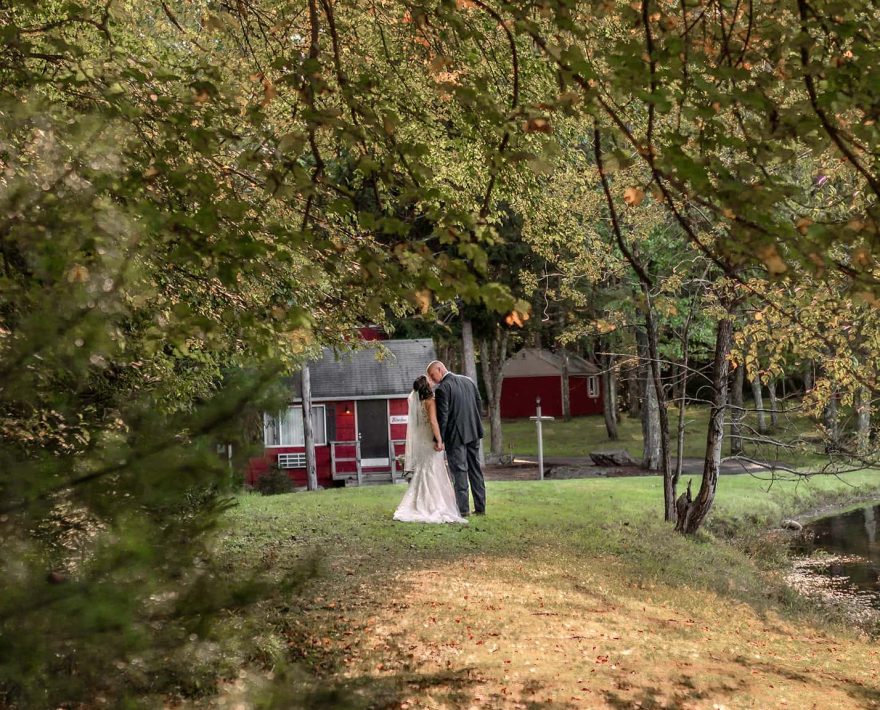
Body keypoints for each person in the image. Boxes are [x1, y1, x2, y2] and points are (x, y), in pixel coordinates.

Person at [393, 376, 468, 524]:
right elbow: (433, 422)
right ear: (427, 386)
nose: (432, 381)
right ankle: (432, 505)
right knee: (432, 471)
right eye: (429, 380)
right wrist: (439, 440)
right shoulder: (430, 402)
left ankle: (419, 503)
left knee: (423, 471)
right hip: (429, 441)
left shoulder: (418, 402)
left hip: (421, 442)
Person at [426, 360, 486, 517]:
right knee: (475, 469)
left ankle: (464, 510)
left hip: (456, 437)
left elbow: (443, 417)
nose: (433, 380)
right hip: (473, 432)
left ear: (440, 369)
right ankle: (481, 508)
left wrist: (439, 439)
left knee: (459, 472)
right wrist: (476, 424)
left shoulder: (443, 388)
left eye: (433, 375)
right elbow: (478, 404)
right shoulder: (469, 381)